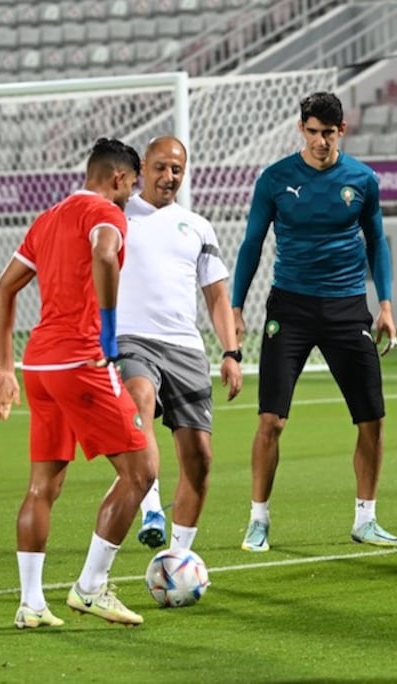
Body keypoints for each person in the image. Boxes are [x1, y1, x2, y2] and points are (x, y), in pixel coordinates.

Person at [0, 138, 152, 628]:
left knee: (42, 487)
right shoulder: (106, 213)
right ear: (119, 178)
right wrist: (107, 327)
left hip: (38, 366)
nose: (129, 197)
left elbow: (2, 289)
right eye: (131, 186)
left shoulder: (49, 217)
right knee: (140, 473)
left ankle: (32, 604)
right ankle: (91, 588)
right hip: (81, 362)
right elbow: (105, 253)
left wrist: (4, 368)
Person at [230, 91, 397, 552]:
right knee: (271, 420)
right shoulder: (275, 180)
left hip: (348, 309)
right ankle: (258, 519)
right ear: (300, 129)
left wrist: (385, 305)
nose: (321, 141)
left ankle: (366, 519)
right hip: (291, 308)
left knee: (372, 420)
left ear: (341, 130)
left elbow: (377, 242)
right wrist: (234, 308)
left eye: (329, 132)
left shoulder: (363, 180)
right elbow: (251, 246)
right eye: (313, 132)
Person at [115, 136, 244, 552]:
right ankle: (150, 505)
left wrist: (230, 352)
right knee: (139, 400)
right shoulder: (116, 216)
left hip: (184, 348)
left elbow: (217, 296)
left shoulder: (198, 227)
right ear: (141, 169)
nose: (169, 176)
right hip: (131, 338)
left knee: (200, 459)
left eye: (177, 169)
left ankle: (179, 555)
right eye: (161, 167)